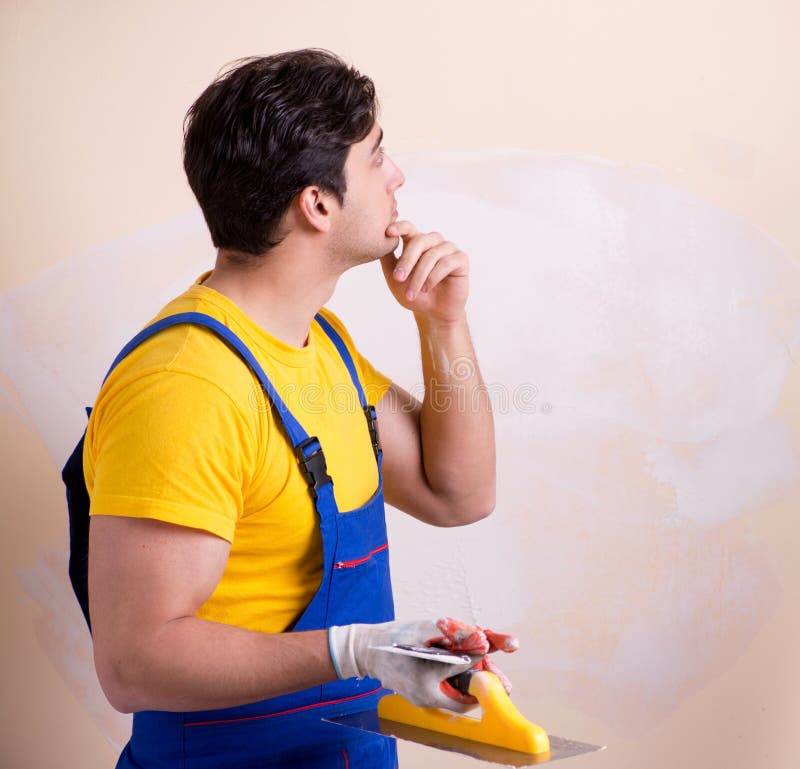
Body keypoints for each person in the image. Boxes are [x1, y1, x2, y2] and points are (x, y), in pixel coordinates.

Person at [84, 49, 504, 768]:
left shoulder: (323, 349)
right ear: (317, 203)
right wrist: (358, 648)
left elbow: (456, 492)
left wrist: (442, 322)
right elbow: (133, 663)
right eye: (377, 157)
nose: (397, 174)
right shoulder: (189, 385)